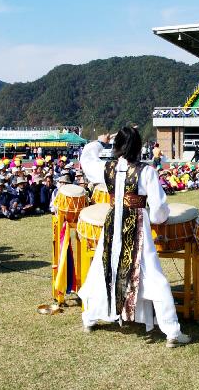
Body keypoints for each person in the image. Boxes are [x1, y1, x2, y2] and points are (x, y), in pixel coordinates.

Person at [77, 126, 190, 347]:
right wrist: (159, 219)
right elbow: (158, 208)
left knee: (105, 268)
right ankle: (172, 332)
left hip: (112, 225)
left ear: (117, 146)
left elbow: (86, 158)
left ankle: (89, 318)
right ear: (138, 147)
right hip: (136, 225)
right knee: (152, 276)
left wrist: (100, 142)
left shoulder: (105, 167)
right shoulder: (145, 171)